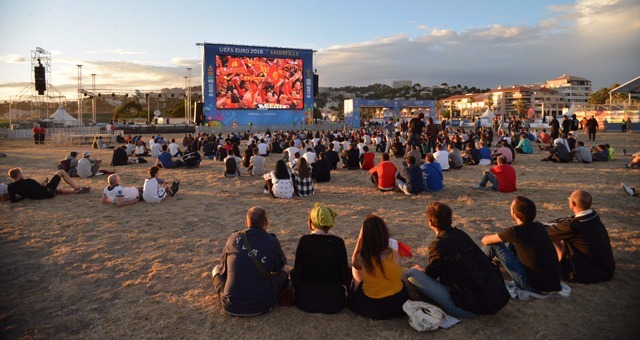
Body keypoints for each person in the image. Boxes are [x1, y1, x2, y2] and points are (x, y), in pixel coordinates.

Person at [407, 202, 509, 318]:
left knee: (412, 274)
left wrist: (422, 270)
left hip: (467, 308)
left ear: (431, 223)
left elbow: (431, 275)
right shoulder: (461, 234)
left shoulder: (439, 245)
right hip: (490, 298)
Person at [212, 206, 289, 316]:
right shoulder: (272, 240)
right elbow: (280, 265)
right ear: (266, 222)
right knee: (286, 269)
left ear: (246, 222)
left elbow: (223, 268)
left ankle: (225, 292)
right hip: (262, 304)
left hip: (231, 305)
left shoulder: (234, 237)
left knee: (215, 270)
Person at [482, 196, 562, 293]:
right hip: (553, 284)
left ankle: (478, 269)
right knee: (512, 244)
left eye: (511, 207)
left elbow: (486, 241)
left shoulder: (515, 232)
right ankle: (492, 265)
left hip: (532, 285)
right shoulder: (539, 226)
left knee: (494, 245)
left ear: (515, 215)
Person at [291, 204, 351, 314]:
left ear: (311, 222)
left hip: (306, 300)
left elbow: (298, 273)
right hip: (334, 301)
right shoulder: (338, 242)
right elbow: (344, 275)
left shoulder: (305, 241)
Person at [545, 190, 615, 283]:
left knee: (548, 236)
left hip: (589, 272)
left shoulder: (574, 225)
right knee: (557, 236)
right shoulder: (593, 216)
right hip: (606, 269)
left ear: (573, 203)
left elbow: (546, 231)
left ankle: (559, 265)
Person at [350, 214, 409, 319]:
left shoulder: (362, 257)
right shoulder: (394, 250)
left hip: (372, 306)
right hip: (398, 303)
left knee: (355, 268)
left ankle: (356, 291)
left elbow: (354, 263)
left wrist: (360, 240)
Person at [7, 167, 90, 203]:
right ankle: (77, 188)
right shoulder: (28, 181)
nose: (22, 175)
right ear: (18, 175)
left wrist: (24, 196)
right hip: (47, 193)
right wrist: (45, 183)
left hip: (40, 196)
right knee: (61, 172)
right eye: (21, 173)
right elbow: (41, 188)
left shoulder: (10, 186)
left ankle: (74, 192)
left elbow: (13, 200)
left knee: (58, 189)